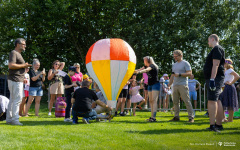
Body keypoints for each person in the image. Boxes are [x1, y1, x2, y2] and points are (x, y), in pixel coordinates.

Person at [7, 38, 32, 125]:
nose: (25, 46)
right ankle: (15, 119)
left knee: (13, 100)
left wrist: (23, 77)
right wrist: (24, 65)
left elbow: (17, 67)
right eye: (23, 44)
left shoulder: (18, 54)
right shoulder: (14, 53)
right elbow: (11, 65)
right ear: (18, 44)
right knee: (17, 100)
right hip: (15, 79)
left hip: (17, 79)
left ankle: (9, 119)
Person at [203, 34, 225, 132]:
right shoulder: (217, 49)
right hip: (216, 78)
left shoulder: (217, 48)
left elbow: (215, 65)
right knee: (217, 100)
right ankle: (218, 125)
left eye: (208, 40)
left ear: (212, 39)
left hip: (215, 79)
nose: (208, 42)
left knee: (212, 100)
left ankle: (213, 125)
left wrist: (212, 79)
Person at [167, 50, 194, 123]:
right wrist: (169, 85)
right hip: (175, 85)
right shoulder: (174, 65)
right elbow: (172, 75)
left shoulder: (185, 63)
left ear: (181, 56)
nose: (175, 57)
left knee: (186, 101)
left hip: (183, 85)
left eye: (176, 56)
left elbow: (189, 73)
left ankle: (191, 117)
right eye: (174, 56)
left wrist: (179, 74)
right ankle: (176, 117)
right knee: (175, 102)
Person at [135, 56, 160, 122]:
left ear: (148, 61)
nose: (144, 61)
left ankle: (153, 117)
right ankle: (151, 117)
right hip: (150, 85)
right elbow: (139, 69)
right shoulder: (145, 66)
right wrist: (132, 71)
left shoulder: (152, 66)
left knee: (154, 100)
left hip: (155, 84)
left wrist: (138, 72)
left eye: (144, 60)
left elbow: (146, 70)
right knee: (151, 100)